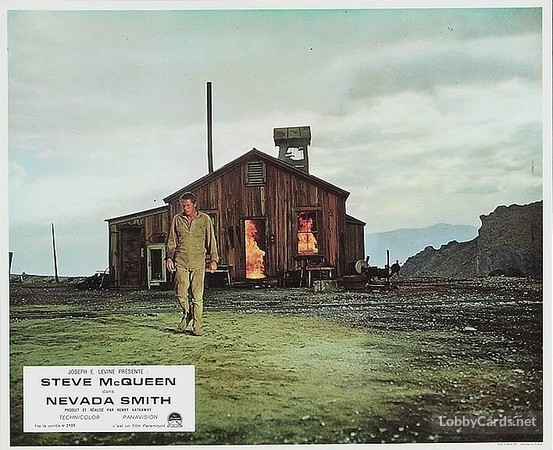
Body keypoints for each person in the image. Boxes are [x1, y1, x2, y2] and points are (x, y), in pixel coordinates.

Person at [166, 192, 218, 335]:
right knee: (181, 294)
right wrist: (169, 257)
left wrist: (213, 260)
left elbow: (211, 240)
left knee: (197, 296)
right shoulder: (177, 219)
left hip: (198, 262)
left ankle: (197, 326)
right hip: (180, 261)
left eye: (188, 205)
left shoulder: (204, 219)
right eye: (183, 206)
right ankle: (187, 314)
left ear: (195, 204)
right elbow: (172, 240)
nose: (185, 208)